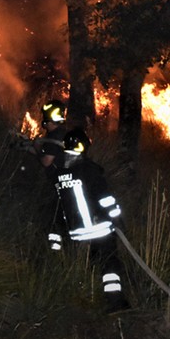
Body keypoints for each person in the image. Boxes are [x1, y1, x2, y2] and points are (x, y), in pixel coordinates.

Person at [48, 127, 131, 314]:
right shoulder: (90, 170)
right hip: (99, 229)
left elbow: (56, 208)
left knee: (88, 266)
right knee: (109, 264)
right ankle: (115, 302)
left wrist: (56, 242)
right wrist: (118, 221)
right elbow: (106, 200)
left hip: (76, 233)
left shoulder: (58, 176)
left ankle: (82, 302)